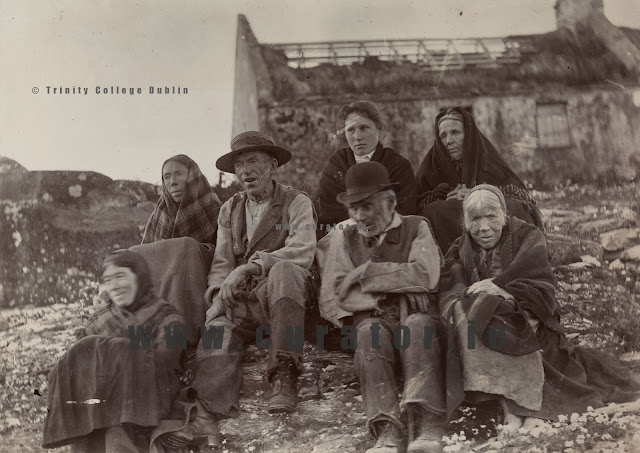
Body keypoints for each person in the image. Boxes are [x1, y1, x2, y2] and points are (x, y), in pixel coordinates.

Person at [438, 185, 640, 431]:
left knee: (492, 314)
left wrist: (500, 286)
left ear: (503, 214)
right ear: (466, 223)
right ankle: (509, 407)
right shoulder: (460, 248)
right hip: (484, 325)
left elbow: (540, 284)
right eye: (475, 220)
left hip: (530, 319)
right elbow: (450, 287)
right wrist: (472, 298)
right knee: (468, 312)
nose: (483, 228)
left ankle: (524, 408)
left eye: (491, 217)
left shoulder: (527, 235)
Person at [186, 131, 317, 443]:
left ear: (272, 165)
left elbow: (302, 251)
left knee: (284, 270)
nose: (245, 171)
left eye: (254, 161)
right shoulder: (230, 209)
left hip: (286, 298)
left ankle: (283, 373)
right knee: (217, 329)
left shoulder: (297, 202)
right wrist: (218, 295)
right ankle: (206, 413)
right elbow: (221, 261)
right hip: (246, 302)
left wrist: (249, 266)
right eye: (239, 164)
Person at [320, 162, 446, 453]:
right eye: (353, 209)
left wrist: (364, 273)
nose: (360, 216)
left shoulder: (417, 227)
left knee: (418, 326)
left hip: (419, 319)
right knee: (369, 334)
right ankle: (386, 431)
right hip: (373, 318)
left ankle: (427, 425)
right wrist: (391, 293)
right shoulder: (346, 236)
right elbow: (339, 291)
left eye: (367, 206)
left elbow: (425, 274)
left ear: (390, 202)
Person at [42, 250, 190, 453]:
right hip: (100, 406)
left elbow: (168, 363)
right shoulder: (97, 321)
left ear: (139, 277)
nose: (114, 286)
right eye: (108, 280)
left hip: (150, 400)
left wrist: (118, 357)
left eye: (120, 276)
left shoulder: (170, 317)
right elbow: (75, 367)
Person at [415, 107, 543, 253]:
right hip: (451, 228)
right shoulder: (432, 166)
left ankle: (506, 257)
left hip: (491, 227)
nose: (449, 141)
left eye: (455, 133)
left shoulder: (489, 162)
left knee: (514, 209)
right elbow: (417, 203)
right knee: (433, 211)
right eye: (443, 135)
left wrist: (478, 193)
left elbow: (520, 198)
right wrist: (445, 195)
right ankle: (454, 259)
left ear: (469, 134)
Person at [133, 154, 222, 348]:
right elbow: (144, 252)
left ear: (193, 176)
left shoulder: (211, 204)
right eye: (166, 177)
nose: (172, 182)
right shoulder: (160, 213)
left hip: (200, 275)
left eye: (179, 174)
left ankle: (184, 331)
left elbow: (223, 252)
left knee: (185, 247)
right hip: (169, 278)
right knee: (135, 253)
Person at [314, 101, 417, 238]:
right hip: (343, 235)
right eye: (351, 130)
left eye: (364, 128)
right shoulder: (337, 163)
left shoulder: (398, 164)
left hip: (388, 236)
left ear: (379, 131)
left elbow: (406, 209)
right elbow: (325, 207)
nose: (357, 137)